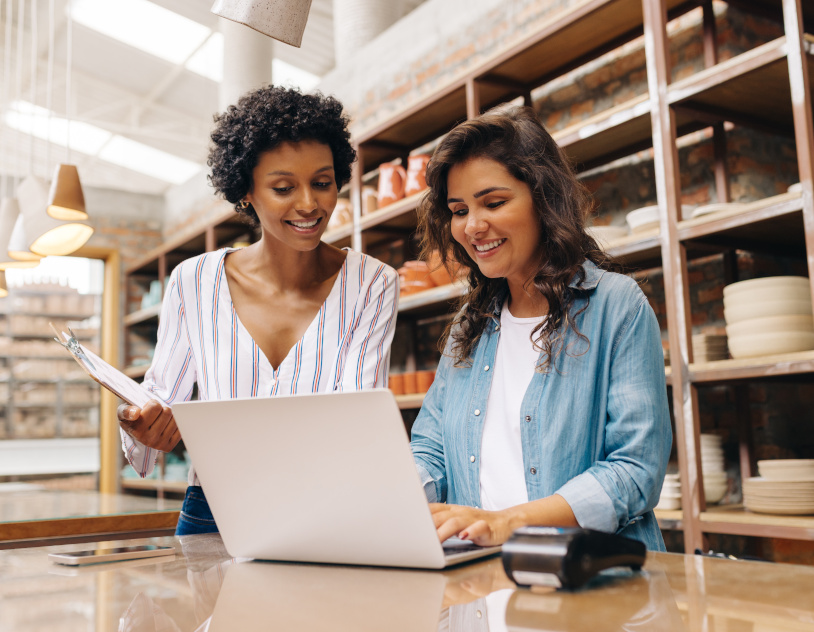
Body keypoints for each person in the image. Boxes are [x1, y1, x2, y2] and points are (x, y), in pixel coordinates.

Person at [117, 86, 399, 535]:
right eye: (284, 187)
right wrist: (140, 423)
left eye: (323, 183)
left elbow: (357, 420)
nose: (309, 203)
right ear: (246, 191)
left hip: (326, 509)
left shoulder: (371, 283)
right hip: (213, 510)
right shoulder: (193, 282)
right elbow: (161, 399)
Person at [410, 105, 671, 551]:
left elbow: (634, 471)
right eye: (458, 209)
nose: (473, 226)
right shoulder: (467, 328)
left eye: (494, 202)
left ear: (544, 199)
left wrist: (507, 523)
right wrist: (386, 497)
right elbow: (431, 450)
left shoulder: (616, 306)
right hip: (484, 580)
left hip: (590, 585)